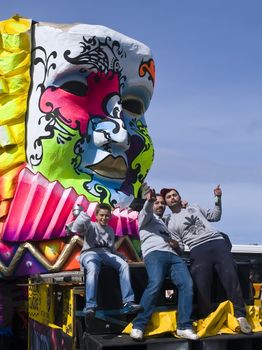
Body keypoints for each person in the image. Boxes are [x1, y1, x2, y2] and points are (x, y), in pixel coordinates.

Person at [160, 185, 252, 334]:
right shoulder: (169, 222)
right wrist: (175, 245)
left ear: (179, 196)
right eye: (169, 197)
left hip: (217, 242)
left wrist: (218, 198)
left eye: (174, 195)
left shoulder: (194, 206)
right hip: (197, 249)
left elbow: (215, 216)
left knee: (231, 277)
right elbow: (181, 248)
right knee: (201, 285)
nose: (172, 198)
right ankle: (206, 318)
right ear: (167, 203)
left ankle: (240, 315)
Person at [130, 189, 198, 341]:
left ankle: (184, 326)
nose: (159, 205)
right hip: (155, 253)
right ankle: (139, 326)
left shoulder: (166, 224)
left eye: (162, 203)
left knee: (187, 284)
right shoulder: (146, 217)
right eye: (157, 202)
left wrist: (176, 246)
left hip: (173, 256)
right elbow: (146, 211)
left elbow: (180, 248)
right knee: (155, 283)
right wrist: (148, 201)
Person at [67, 203, 143, 318]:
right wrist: (82, 215)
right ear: (96, 216)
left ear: (110, 216)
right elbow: (78, 228)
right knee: (92, 267)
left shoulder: (110, 231)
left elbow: (111, 250)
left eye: (107, 216)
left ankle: (128, 302)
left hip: (106, 253)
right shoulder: (91, 225)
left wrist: (124, 258)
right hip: (90, 252)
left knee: (124, 266)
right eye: (101, 215)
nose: (104, 218)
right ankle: (90, 306)